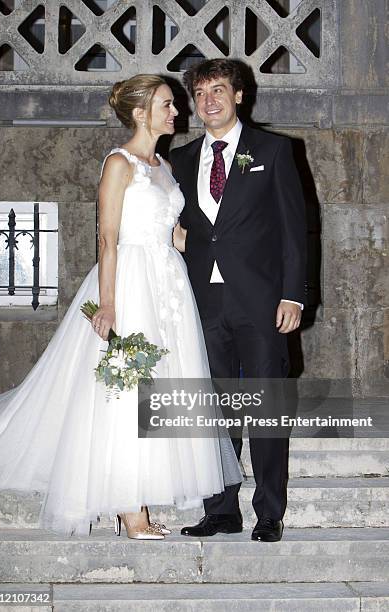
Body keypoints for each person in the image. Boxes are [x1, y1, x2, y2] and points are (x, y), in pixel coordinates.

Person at [0, 74, 241, 539]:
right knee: (127, 394)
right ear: (141, 113)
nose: (176, 112)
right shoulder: (120, 164)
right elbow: (107, 236)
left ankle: (137, 500)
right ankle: (129, 510)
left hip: (169, 285)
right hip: (129, 282)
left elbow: (178, 234)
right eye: (166, 104)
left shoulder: (163, 166)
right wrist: (108, 303)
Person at [170, 59, 307, 542]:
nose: (209, 101)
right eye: (201, 92)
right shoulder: (180, 159)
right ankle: (221, 508)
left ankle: (269, 511)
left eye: (219, 90)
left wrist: (294, 294)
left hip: (262, 302)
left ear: (239, 95)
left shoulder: (273, 149)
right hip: (202, 302)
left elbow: (295, 229)